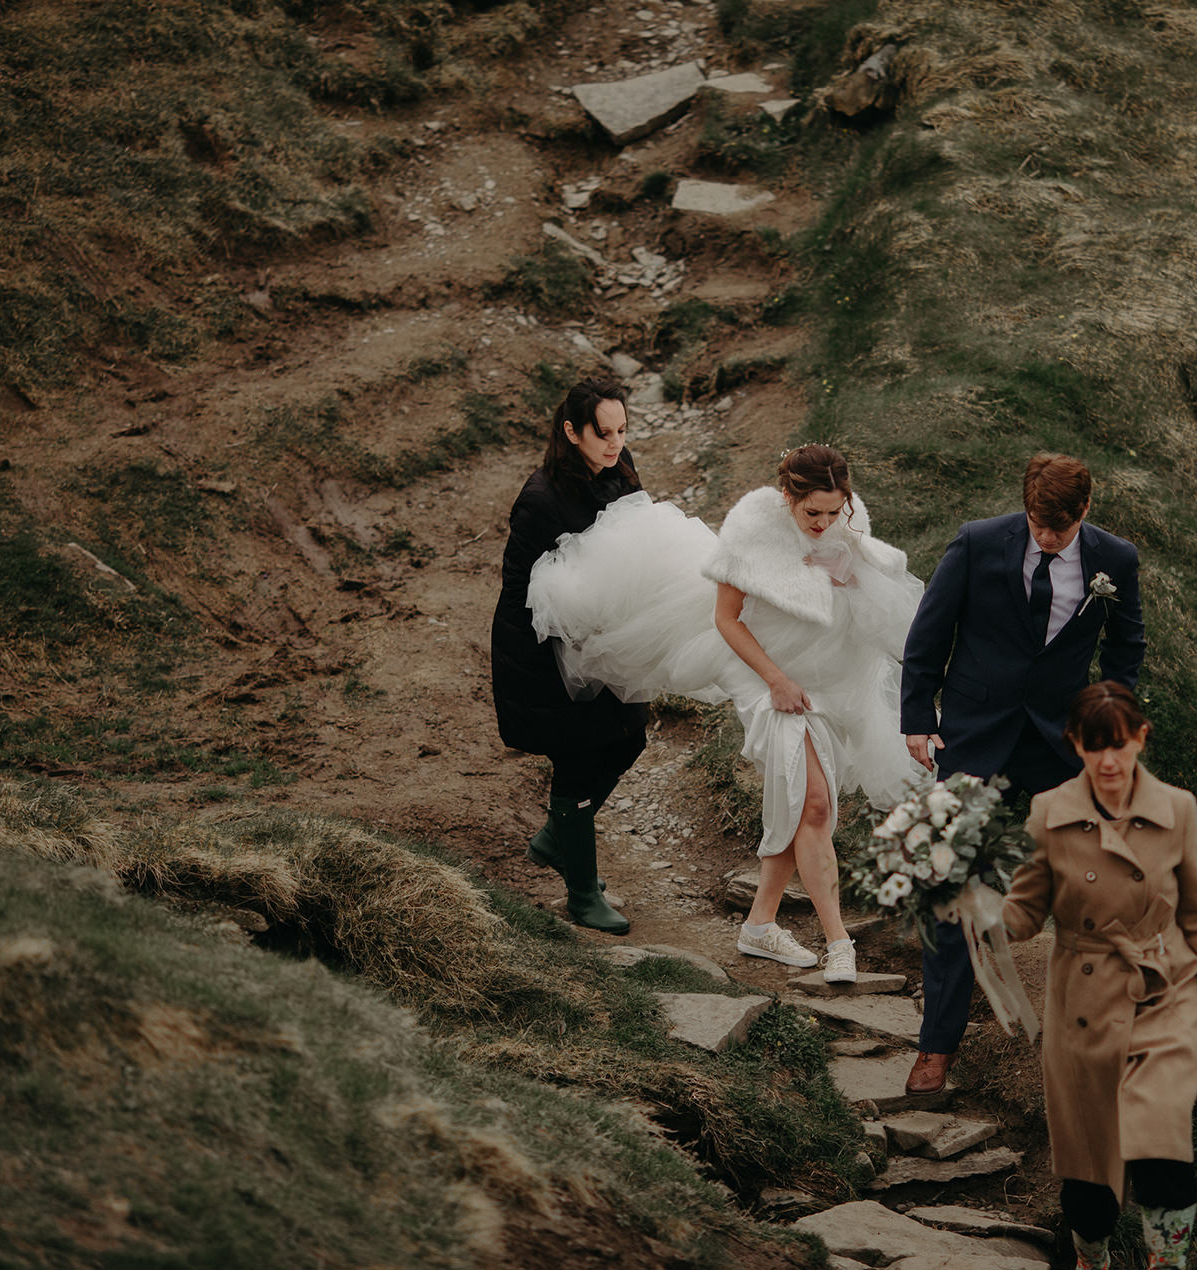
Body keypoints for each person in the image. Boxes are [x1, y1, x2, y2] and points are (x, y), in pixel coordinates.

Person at [525, 444, 923, 981]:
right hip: (764, 674)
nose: (826, 522)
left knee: (798, 803)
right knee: (815, 802)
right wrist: (775, 680)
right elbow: (727, 619)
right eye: (813, 513)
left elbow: (869, 589)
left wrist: (849, 578)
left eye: (835, 511)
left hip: (827, 675)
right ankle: (838, 941)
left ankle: (758, 926)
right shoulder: (751, 533)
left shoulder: (844, 527)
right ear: (788, 498)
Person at [986, 682, 1197, 1270]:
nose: (1108, 761)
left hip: (1163, 993)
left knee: (1161, 1149)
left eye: (1118, 744)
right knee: (1090, 1184)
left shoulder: (1178, 809)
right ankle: (1091, 1257)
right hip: (1081, 1004)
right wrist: (973, 907)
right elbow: (1023, 914)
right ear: (1075, 745)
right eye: (1094, 747)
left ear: (1141, 737)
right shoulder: (1048, 812)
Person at [898, 452, 1146, 1094]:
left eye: (1059, 528)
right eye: (1038, 522)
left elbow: (1126, 643)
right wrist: (918, 717)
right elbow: (930, 630)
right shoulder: (979, 542)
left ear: (1084, 513)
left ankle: (1101, 1033)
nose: (1046, 537)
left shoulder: (1115, 561)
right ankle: (937, 1048)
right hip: (975, 735)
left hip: (1060, 746)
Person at [490, 377, 644, 935]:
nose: (614, 443)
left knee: (631, 736)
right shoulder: (540, 499)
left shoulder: (620, 470)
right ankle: (582, 894)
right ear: (571, 431)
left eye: (622, 430)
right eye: (602, 433)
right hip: (544, 651)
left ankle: (558, 839)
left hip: (603, 641)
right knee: (578, 758)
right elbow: (528, 591)